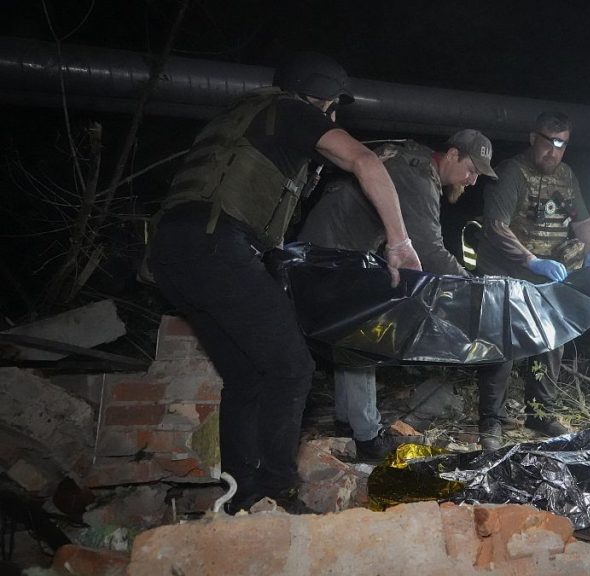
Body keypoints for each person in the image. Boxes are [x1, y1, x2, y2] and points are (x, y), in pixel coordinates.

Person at [147, 52, 422, 512]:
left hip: (172, 255)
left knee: (246, 374)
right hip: (217, 248)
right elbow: (364, 160)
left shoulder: (240, 117)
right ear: (324, 102)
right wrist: (398, 241)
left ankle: (241, 495)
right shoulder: (293, 112)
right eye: (332, 109)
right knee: (291, 368)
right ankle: (278, 489)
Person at [299, 129, 513, 454]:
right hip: (334, 251)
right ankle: (368, 437)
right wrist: (475, 288)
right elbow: (429, 250)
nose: (472, 181)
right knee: (363, 336)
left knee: (347, 338)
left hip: (325, 247)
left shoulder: (410, 159)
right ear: (452, 155)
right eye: (471, 170)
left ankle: (348, 422)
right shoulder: (418, 176)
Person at [475, 111, 590, 437]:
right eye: (549, 143)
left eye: (562, 145)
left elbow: (582, 221)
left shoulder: (567, 177)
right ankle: (492, 419)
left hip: (546, 277)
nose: (554, 152)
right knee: (501, 345)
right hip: (504, 272)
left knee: (550, 342)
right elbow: (496, 227)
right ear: (534, 138)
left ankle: (540, 414)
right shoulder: (511, 173)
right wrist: (531, 260)